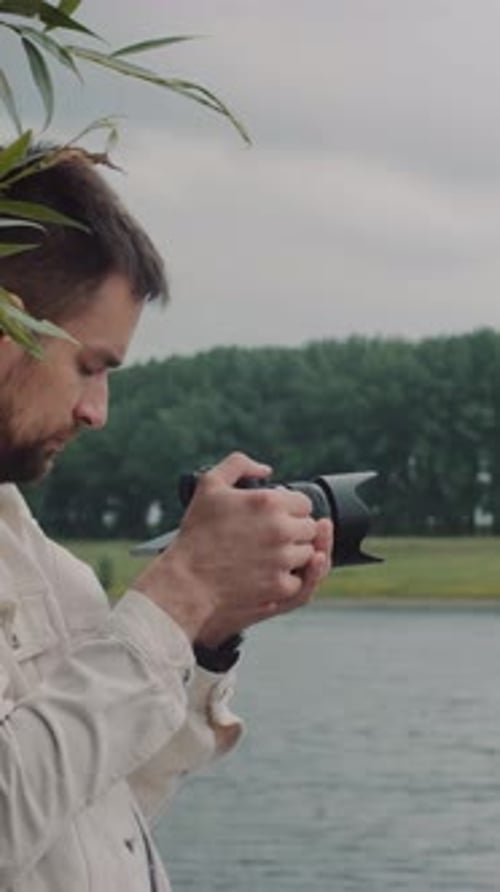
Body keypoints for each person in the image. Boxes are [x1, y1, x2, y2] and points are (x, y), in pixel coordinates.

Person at [0, 147, 333, 891]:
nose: (96, 412)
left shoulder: (45, 564)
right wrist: (177, 590)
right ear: (7, 330)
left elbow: (97, 817)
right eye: (91, 365)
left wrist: (204, 633)